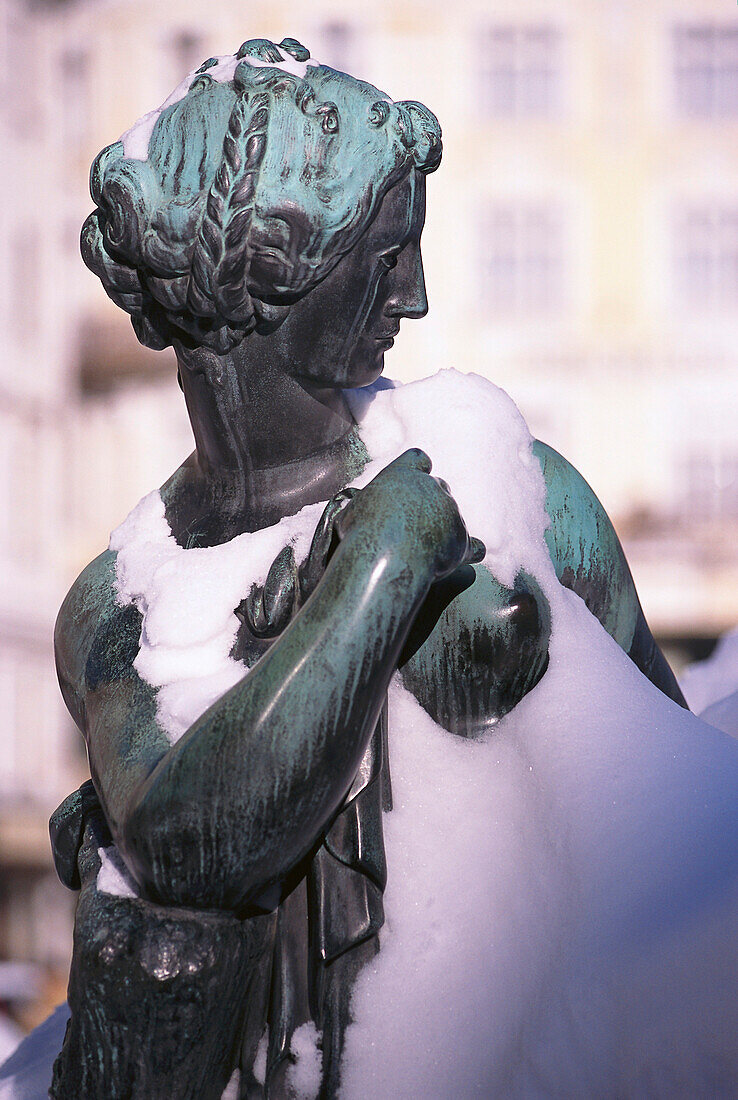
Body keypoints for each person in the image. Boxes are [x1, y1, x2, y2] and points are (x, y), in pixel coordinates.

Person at [49, 37, 685, 1099]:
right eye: (388, 256)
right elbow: (189, 847)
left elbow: (676, 826)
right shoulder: (125, 597)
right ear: (277, 266)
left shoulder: (512, 485)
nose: (419, 295)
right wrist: (383, 566)